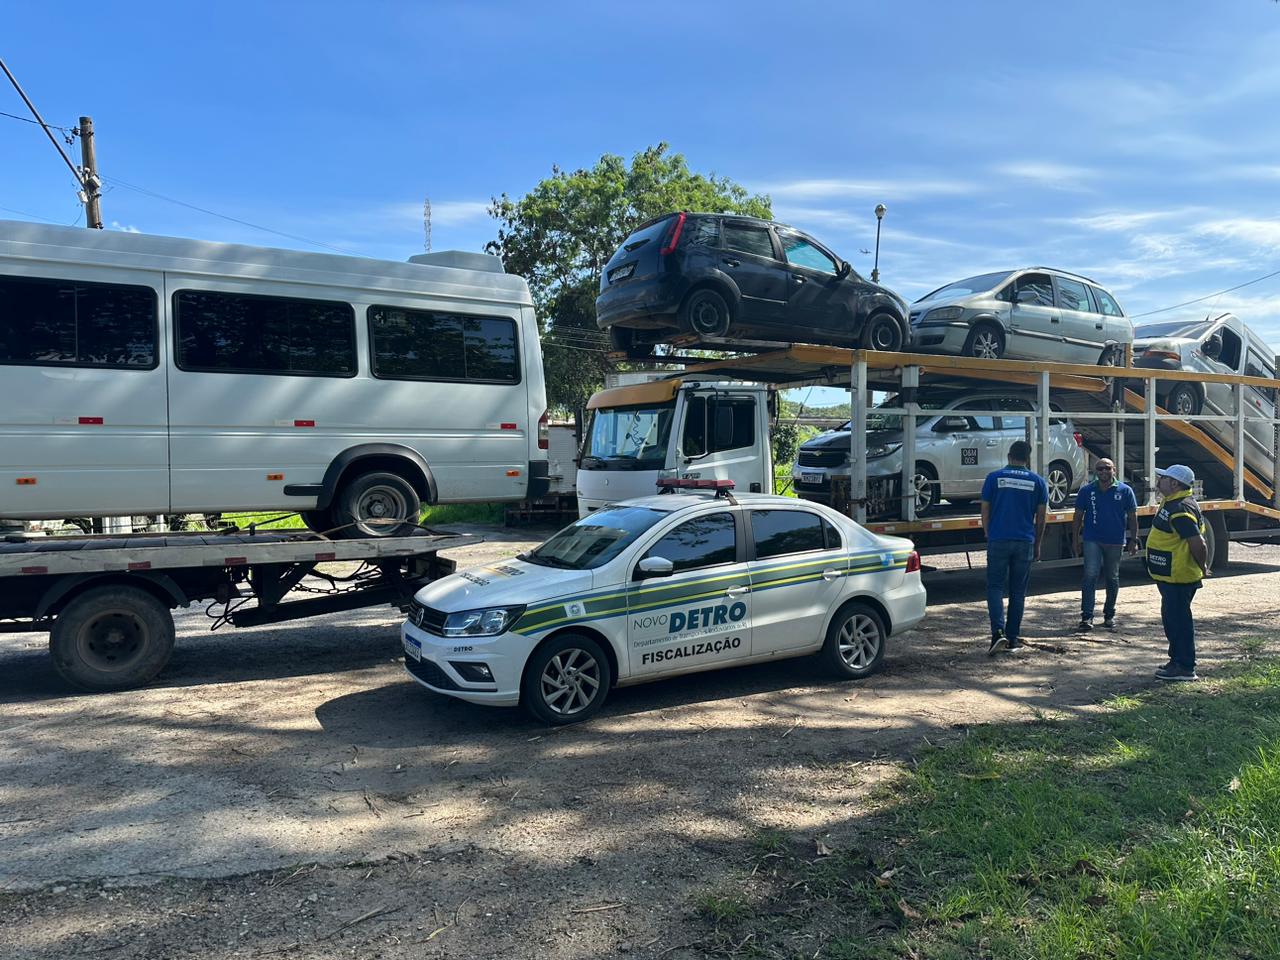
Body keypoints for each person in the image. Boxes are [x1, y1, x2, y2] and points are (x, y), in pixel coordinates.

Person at [981, 440, 1049, 655]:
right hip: (1024, 541)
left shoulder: (994, 478)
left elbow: (985, 509)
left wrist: (987, 532)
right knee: (1018, 592)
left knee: (995, 587)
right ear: (1027, 458)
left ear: (1009, 456)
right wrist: (1037, 543)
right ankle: (1012, 638)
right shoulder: (1038, 482)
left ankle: (997, 632)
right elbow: (1041, 517)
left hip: (999, 538)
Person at [1145, 464, 1209, 681]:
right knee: (1172, 619)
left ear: (1174, 483)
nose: (1158, 480)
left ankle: (1185, 666)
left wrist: (1203, 567)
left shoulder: (1181, 508)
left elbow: (1198, 543)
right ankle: (1176, 661)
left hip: (1179, 576)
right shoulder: (1172, 501)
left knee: (1179, 621)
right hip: (1169, 575)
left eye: (1163, 478)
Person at [1072, 458, 1139, 630]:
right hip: (1092, 539)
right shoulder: (1087, 491)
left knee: (1112, 577)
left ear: (1114, 470)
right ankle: (1086, 617)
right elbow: (1078, 516)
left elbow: (1132, 517)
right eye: (1100, 469)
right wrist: (1075, 540)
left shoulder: (1125, 491)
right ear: (1095, 472)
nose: (1103, 472)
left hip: (1115, 541)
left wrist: (1134, 540)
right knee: (1090, 575)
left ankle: (1109, 614)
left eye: (1107, 468)